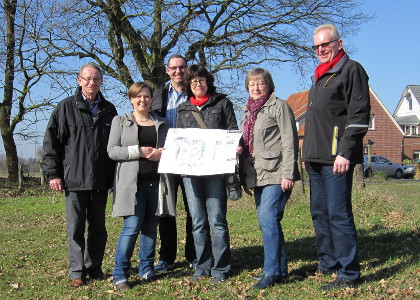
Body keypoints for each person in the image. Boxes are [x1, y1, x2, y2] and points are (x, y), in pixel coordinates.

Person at [302, 24, 370, 290]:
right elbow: (317, 120)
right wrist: (306, 153)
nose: (320, 50)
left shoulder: (351, 70)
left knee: (339, 214)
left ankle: (349, 273)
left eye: (325, 45)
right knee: (319, 213)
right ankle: (327, 262)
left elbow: (358, 115)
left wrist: (345, 151)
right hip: (316, 158)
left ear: (339, 44)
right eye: (316, 47)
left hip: (336, 159)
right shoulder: (320, 76)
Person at [42, 63, 117, 287]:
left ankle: (94, 267)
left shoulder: (109, 110)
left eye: (95, 79)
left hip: (100, 180)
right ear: (79, 80)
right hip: (74, 180)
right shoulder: (64, 108)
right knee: (75, 229)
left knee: (98, 229)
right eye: (87, 79)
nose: (91, 83)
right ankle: (76, 271)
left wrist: (114, 177)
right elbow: (51, 144)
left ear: (102, 82)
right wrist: (53, 173)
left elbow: (115, 146)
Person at [177, 64, 238, 284]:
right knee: (198, 221)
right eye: (193, 82)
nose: (198, 84)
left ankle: (221, 267)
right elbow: (180, 141)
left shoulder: (222, 103)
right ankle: (202, 265)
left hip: (215, 171)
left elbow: (233, 130)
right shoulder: (183, 109)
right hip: (190, 173)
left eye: (201, 80)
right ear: (188, 85)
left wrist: (235, 146)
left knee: (217, 220)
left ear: (208, 82)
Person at [239, 68, 300, 289]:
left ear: (268, 85)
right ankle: (281, 270)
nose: (256, 88)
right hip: (256, 174)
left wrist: (288, 173)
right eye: (252, 84)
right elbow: (247, 145)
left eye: (260, 83)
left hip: (276, 173)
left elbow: (289, 141)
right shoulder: (247, 110)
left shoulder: (279, 106)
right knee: (270, 222)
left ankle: (271, 271)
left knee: (267, 218)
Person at [107, 82, 170, 291]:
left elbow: (171, 150)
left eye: (146, 96)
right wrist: (138, 152)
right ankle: (120, 274)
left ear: (152, 99)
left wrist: (162, 154)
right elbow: (112, 151)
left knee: (151, 228)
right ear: (131, 99)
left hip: (156, 184)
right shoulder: (120, 121)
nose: (142, 100)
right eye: (138, 96)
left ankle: (146, 269)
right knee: (132, 227)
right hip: (131, 185)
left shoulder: (162, 122)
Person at [150, 54, 196, 272]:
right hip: (166, 160)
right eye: (174, 68)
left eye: (182, 68)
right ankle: (167, 257)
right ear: (167, 70)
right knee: (166, 211)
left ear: (187, 69)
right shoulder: (158, 95)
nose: (178, 71)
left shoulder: (196, 92)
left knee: (193, 209)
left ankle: (193, 255)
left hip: (191, 160)